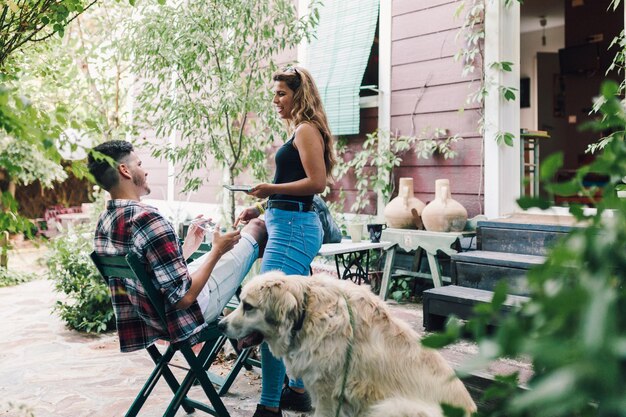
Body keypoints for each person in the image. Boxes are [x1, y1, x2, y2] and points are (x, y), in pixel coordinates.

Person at [88, 140, 267, 353]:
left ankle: (255, 323)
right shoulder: (147, 218)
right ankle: (265, 324)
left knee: (246, 246)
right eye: (140, 164)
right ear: (125, 170)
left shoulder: (104, 221)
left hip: (148, 319)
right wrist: (218, 250)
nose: (145, 172)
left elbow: (152, 275)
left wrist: (188, 248)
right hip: (184, 315)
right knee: (257, 228)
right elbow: (184, 298)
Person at [235, 66, 336, 417]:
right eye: (274, 94)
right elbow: (294, 183)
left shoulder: (307, 130)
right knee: (289, 314)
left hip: (294, 229)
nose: (275, 101)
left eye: (281, 94)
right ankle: (296, 390)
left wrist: (271, 189)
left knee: (270, 313)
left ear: (299, 94)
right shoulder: (298, 131)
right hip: (286, 223)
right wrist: (260, 204)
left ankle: (269, 407)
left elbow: (316, 183)